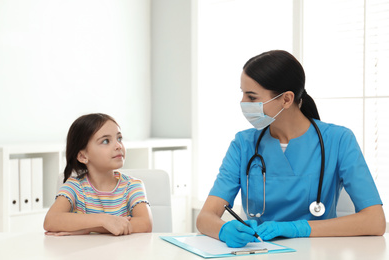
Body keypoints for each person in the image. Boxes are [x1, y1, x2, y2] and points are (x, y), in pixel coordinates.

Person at [196, 50, 386, 247]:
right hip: (262, 250)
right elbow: (205, 218)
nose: (243, 103)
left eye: (251, 97)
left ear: (286, 99)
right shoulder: (243, 144)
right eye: (242, 94)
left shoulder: (338, 140)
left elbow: (374, 221)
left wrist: (299, 228)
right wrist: (223, 229)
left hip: (320, 253)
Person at [44, 113, 153, 236]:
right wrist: (104, 220)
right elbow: (50, 220)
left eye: (119, 138)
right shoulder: (74, 187)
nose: (118, 146)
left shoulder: (132, 186)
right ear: (83, 156)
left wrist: (90, 228)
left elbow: (145, 224)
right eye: (106, 141)